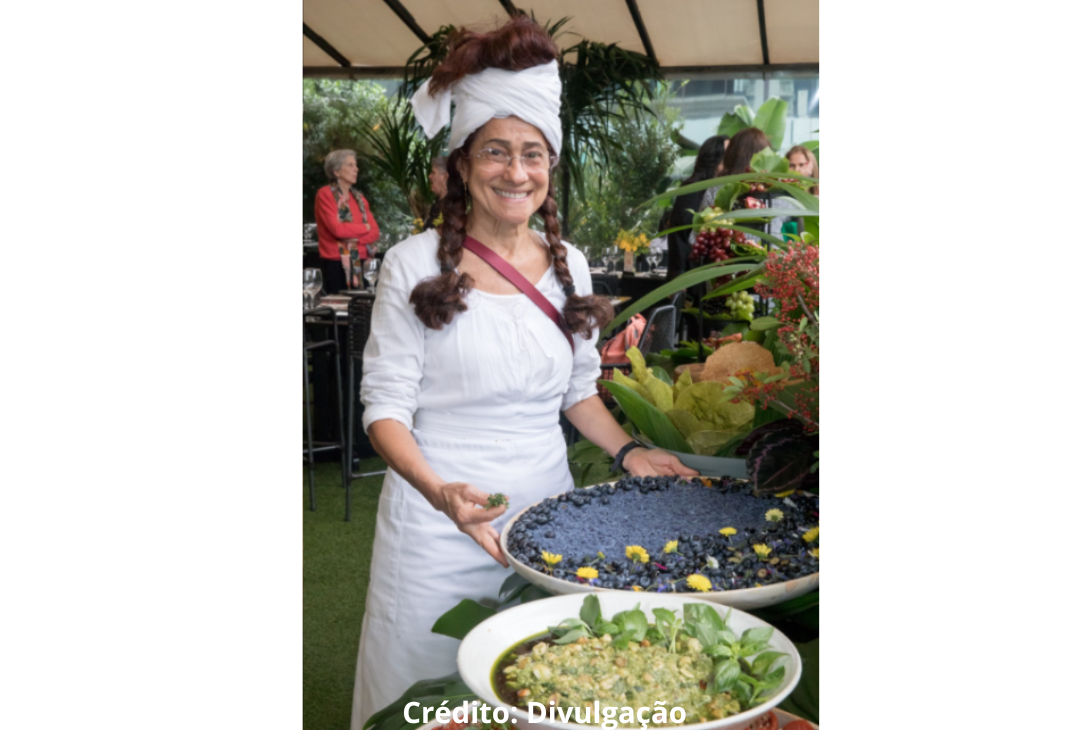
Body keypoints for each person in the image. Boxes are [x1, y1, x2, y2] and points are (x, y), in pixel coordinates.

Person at [349, 17, 699, 729]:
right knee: (421, 695)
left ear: (550, 164)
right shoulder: (412, 264)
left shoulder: (569, 264)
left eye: (532, 154)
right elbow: (384, 405)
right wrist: (439, 490)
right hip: (434, 526)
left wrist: (628, 451)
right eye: (496, 152)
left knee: (533, 689)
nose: (516, 172)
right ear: (461, 165)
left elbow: (576, 392)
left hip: (546, 522)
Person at [314, 150, 380, 294]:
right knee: (340, 311)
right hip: (336, 262)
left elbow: (375, 232)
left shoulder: (360, 199)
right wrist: (365, 227)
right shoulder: (325, 194)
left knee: (360, 310)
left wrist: (353, 237)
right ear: (336, 172)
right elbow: (338, 230)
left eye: (355, 165)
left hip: (362, 261)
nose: (356, 169)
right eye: (350, 165)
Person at [666, 135, 729, 280]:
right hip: (690, 276)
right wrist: (679, 277)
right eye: (727, 156)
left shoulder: (721, 191)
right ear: (714, 160)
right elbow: (679, 234)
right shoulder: (693, 190)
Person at [722, 129, 804, 240]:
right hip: (773, 255)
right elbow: (804, 230)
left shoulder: (717, 190)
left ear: (730, 155)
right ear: (767, 156)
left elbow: (694, 239)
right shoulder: (781, 192)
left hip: (727, 255)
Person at [423, 155, 449, 230]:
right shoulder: (439, 204)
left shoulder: (450, 207)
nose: (429, 176)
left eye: (433, 172)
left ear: (444, 177)